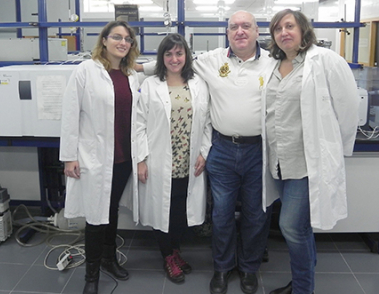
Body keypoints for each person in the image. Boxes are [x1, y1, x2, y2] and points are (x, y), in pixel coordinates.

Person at [140, 11, 276, 294]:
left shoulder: (273, 63)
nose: (240, 31)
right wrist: (135, 69)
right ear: (227, 32)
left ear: (257, 31)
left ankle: (249, 268)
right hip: (223, 149)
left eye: (246, 26)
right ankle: (223, 268)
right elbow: (173, 62)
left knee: (256, 213)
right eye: (234, 27)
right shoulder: (213, 61)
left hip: (258, 150)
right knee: (222, 214)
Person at [264, 9, 360, 294]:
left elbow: (349, 106)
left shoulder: (325, 60)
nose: (284, 32)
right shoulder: (273, 64)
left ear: (303, 30)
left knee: (292, 227)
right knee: (299, 228)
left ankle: (304, 289)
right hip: (278, 161)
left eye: (290, 26)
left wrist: (334, 149)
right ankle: (302, 280)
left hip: (308, 162)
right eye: (278, 28)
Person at [59, 21, 140, 294]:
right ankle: (91, 276)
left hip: (124, 157)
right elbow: (70, 114)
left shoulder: (130, 74)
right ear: (104, 40)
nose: (122, 42)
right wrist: (69, 157)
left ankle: (109, 259)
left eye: (127, 38)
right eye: (116, 37)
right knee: (95, 216)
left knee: (111, 209)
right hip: (94, 157)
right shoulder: (86, 71)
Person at [136, 33, 211, 284]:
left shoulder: (198, 83)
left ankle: (176, 251)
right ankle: (167, 255)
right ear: (162, 57)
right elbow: (138, 125)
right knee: (162, 210)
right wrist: (141, 159)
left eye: (179, 53)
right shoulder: (150, 85)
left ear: (186, 56)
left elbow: (208, 122)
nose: (174, 58)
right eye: (168, 54)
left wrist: (204, 152)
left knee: (179, 210)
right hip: (159, 160)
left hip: (188, 161)